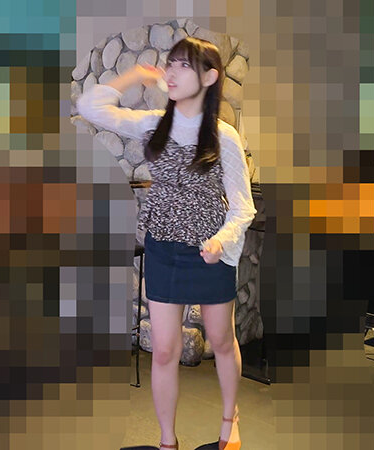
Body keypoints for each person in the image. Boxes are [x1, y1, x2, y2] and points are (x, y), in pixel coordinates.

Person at [78, 37, 255, 449]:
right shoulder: (154, 123)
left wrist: (221, 241)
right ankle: (167, 440)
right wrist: (133, 75)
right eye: (169, 64)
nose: (171, 73)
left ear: (209, 77)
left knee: (222, 341)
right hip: (163, 249)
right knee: (162, 351)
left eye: (183, 65)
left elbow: (242, 207)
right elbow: (90, 107)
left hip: (210, 253)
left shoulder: (223, 136)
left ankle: (230, 419)